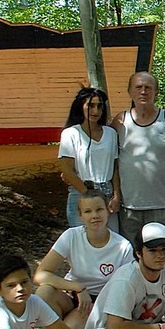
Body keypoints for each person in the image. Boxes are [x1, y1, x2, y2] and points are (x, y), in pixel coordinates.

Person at [34, 189, 134, 329]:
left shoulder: (123, 246)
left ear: (108, 211)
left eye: (99, 209)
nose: (94, 216)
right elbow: (41, 275)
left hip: (98, 302)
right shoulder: (71, 236)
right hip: (73, 293)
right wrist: (78, 287)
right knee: (43, 293)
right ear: (81, 216)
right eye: (88, 211)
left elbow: (127, 288)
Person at [111, 72, 165, 242]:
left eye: (148, 88)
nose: (143, 91)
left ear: (156, 92)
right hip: (128, 208)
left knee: (160, 252)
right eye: (138, 87)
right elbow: (113, 163)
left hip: (161, 207)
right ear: (130, 92)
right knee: (130, 254)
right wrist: (115, 195)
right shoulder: (120, 121)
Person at [58, 87, 120, 231]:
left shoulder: (111, 134)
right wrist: (89, 195)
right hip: (81, 192)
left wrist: (117, 196)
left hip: (108, 193)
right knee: (83, 239)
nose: (95, 111)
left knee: (111, 238)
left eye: (99, 106)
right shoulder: (71, 134)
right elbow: (67, 170)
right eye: (91, 106)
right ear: (81, 106)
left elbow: (115, 168)